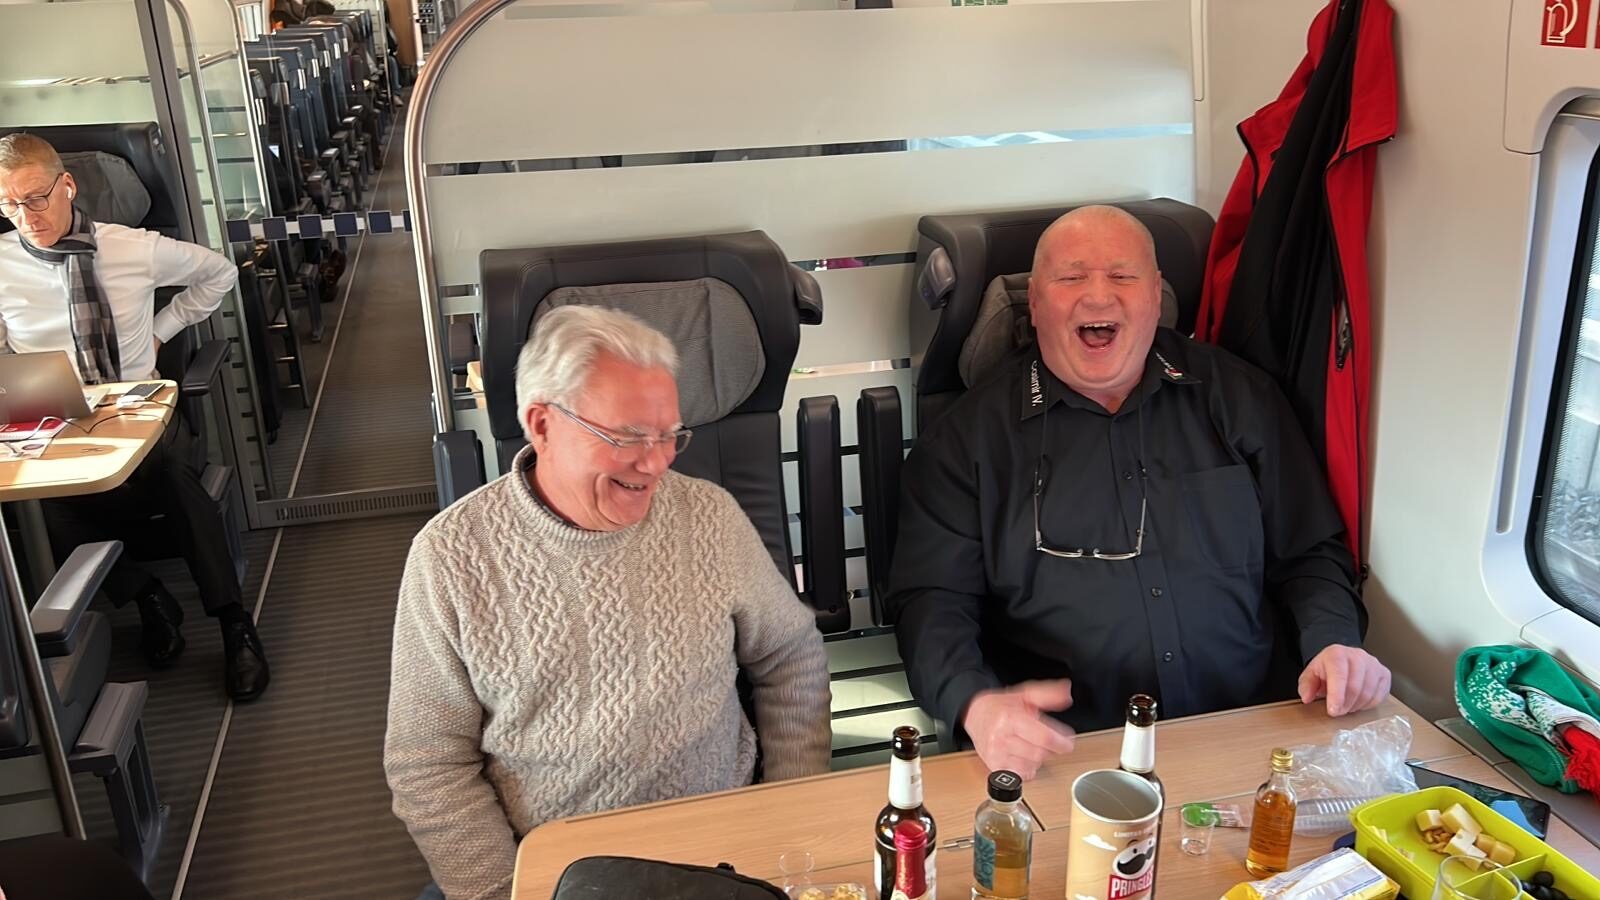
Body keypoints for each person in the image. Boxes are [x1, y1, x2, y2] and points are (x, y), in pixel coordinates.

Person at [885, 205, 1391, 778]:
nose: (1098, 296)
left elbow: (1309, 552)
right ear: (1036, 304)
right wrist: (974, 703)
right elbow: (931, 601)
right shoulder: (964, 441)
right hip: (1073, 755)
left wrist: (1333, 642)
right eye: (1071, 277)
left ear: (1156, 295)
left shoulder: (1240, 398)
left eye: (1123, 276)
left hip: (1256, 730)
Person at [385, 306, 831, 900]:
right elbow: (428, 763)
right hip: (553, 873)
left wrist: (789, 811)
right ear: (542, 424)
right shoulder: (450, 558)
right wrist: (505, 892)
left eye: (670, 435)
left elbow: (791, 655)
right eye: (628, 437)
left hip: (719, 852)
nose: (657, 462)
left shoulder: (707, 517)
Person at [0, 134, 270, 702]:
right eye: (9, 205)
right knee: (31, 504)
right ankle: (147, 595)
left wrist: (162, 330)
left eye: (36, 197)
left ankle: (234, 623)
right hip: (56, 423)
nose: (27, 216)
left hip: (141, 413)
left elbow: (219, 273)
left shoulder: (132, 248)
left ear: (67, 186)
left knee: (174, 478)